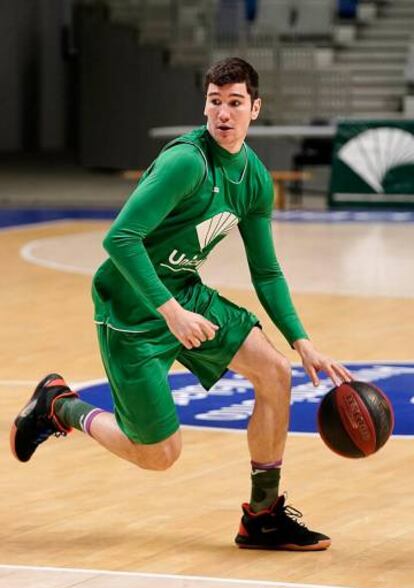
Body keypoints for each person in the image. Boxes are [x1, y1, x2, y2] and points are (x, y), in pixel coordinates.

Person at [11, 57, 352, 551]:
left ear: (255, 108)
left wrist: (302, 340)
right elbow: (121, 239)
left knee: (276, 371)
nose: (224, 114)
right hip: (133, 306)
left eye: (235, 103)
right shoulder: (187, 161)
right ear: (205, 105)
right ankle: (61, 407)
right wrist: (169, 312)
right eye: (215, 102)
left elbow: (267, 271)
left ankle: (263, 517)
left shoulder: (253, 177)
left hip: (183, 291)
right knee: (158, 455)